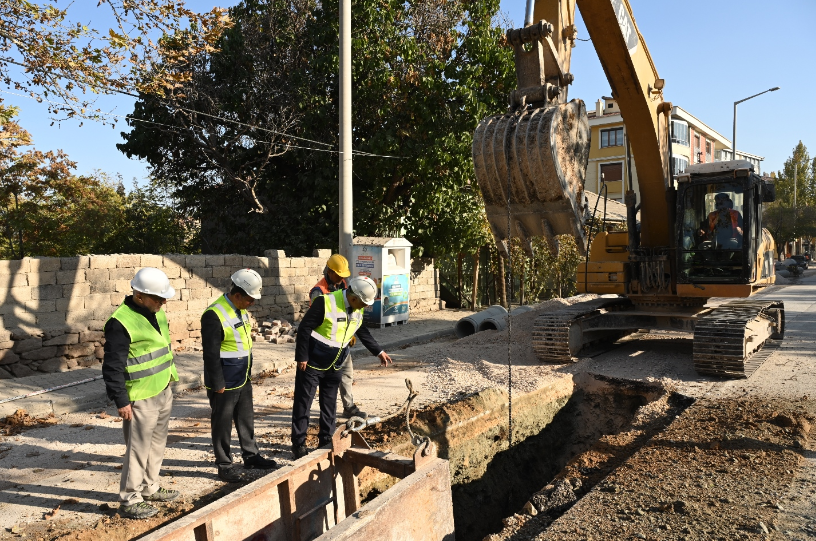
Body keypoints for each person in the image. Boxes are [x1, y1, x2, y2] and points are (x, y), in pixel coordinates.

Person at [102, 267, 180, 520]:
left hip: (163, 388)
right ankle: (129, 499)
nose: (163, 302)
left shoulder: (155, 313)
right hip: (140, 396)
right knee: (137, 450)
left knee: (156, 445)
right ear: (139, 295)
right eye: (158, 298)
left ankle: (149, 486)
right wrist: (121, 400)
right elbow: (112, 365)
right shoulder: (120, 322)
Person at [291, 276, 393, 459]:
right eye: (363, 303)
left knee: (329, 405)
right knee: (303, 404)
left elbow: (361, 330)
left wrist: (378, 351)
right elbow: (305, 328)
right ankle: (299, 445)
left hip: (336, 363)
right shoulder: (325, 302)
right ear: (353, 297)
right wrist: (302, 356)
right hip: (312, 363)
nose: (365, 307)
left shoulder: (356, 309)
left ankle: (326, 440)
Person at [201, 268, 278, 482]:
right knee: (222, 422)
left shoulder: (240, 309)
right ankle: (224, 464)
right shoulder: (214, 314)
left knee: (246, 418)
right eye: (250, 299)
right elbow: (210, 353)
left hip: (242, 376)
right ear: (237, 295)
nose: (252, 303)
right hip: (224, 380)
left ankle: (251, 455)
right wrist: (217, 383)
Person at [308, 254, 365, 419]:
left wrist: (350, 332)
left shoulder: (343, 285)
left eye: (343, 276)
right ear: (330, 272)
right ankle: (316, 412)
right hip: (324, 344)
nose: (341, 279)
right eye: (339, 275)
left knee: (347, 374)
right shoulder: (318, 292)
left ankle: (349, 406)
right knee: (321, 380)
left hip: (342, 341)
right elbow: (318, 320)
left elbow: (350, 310)